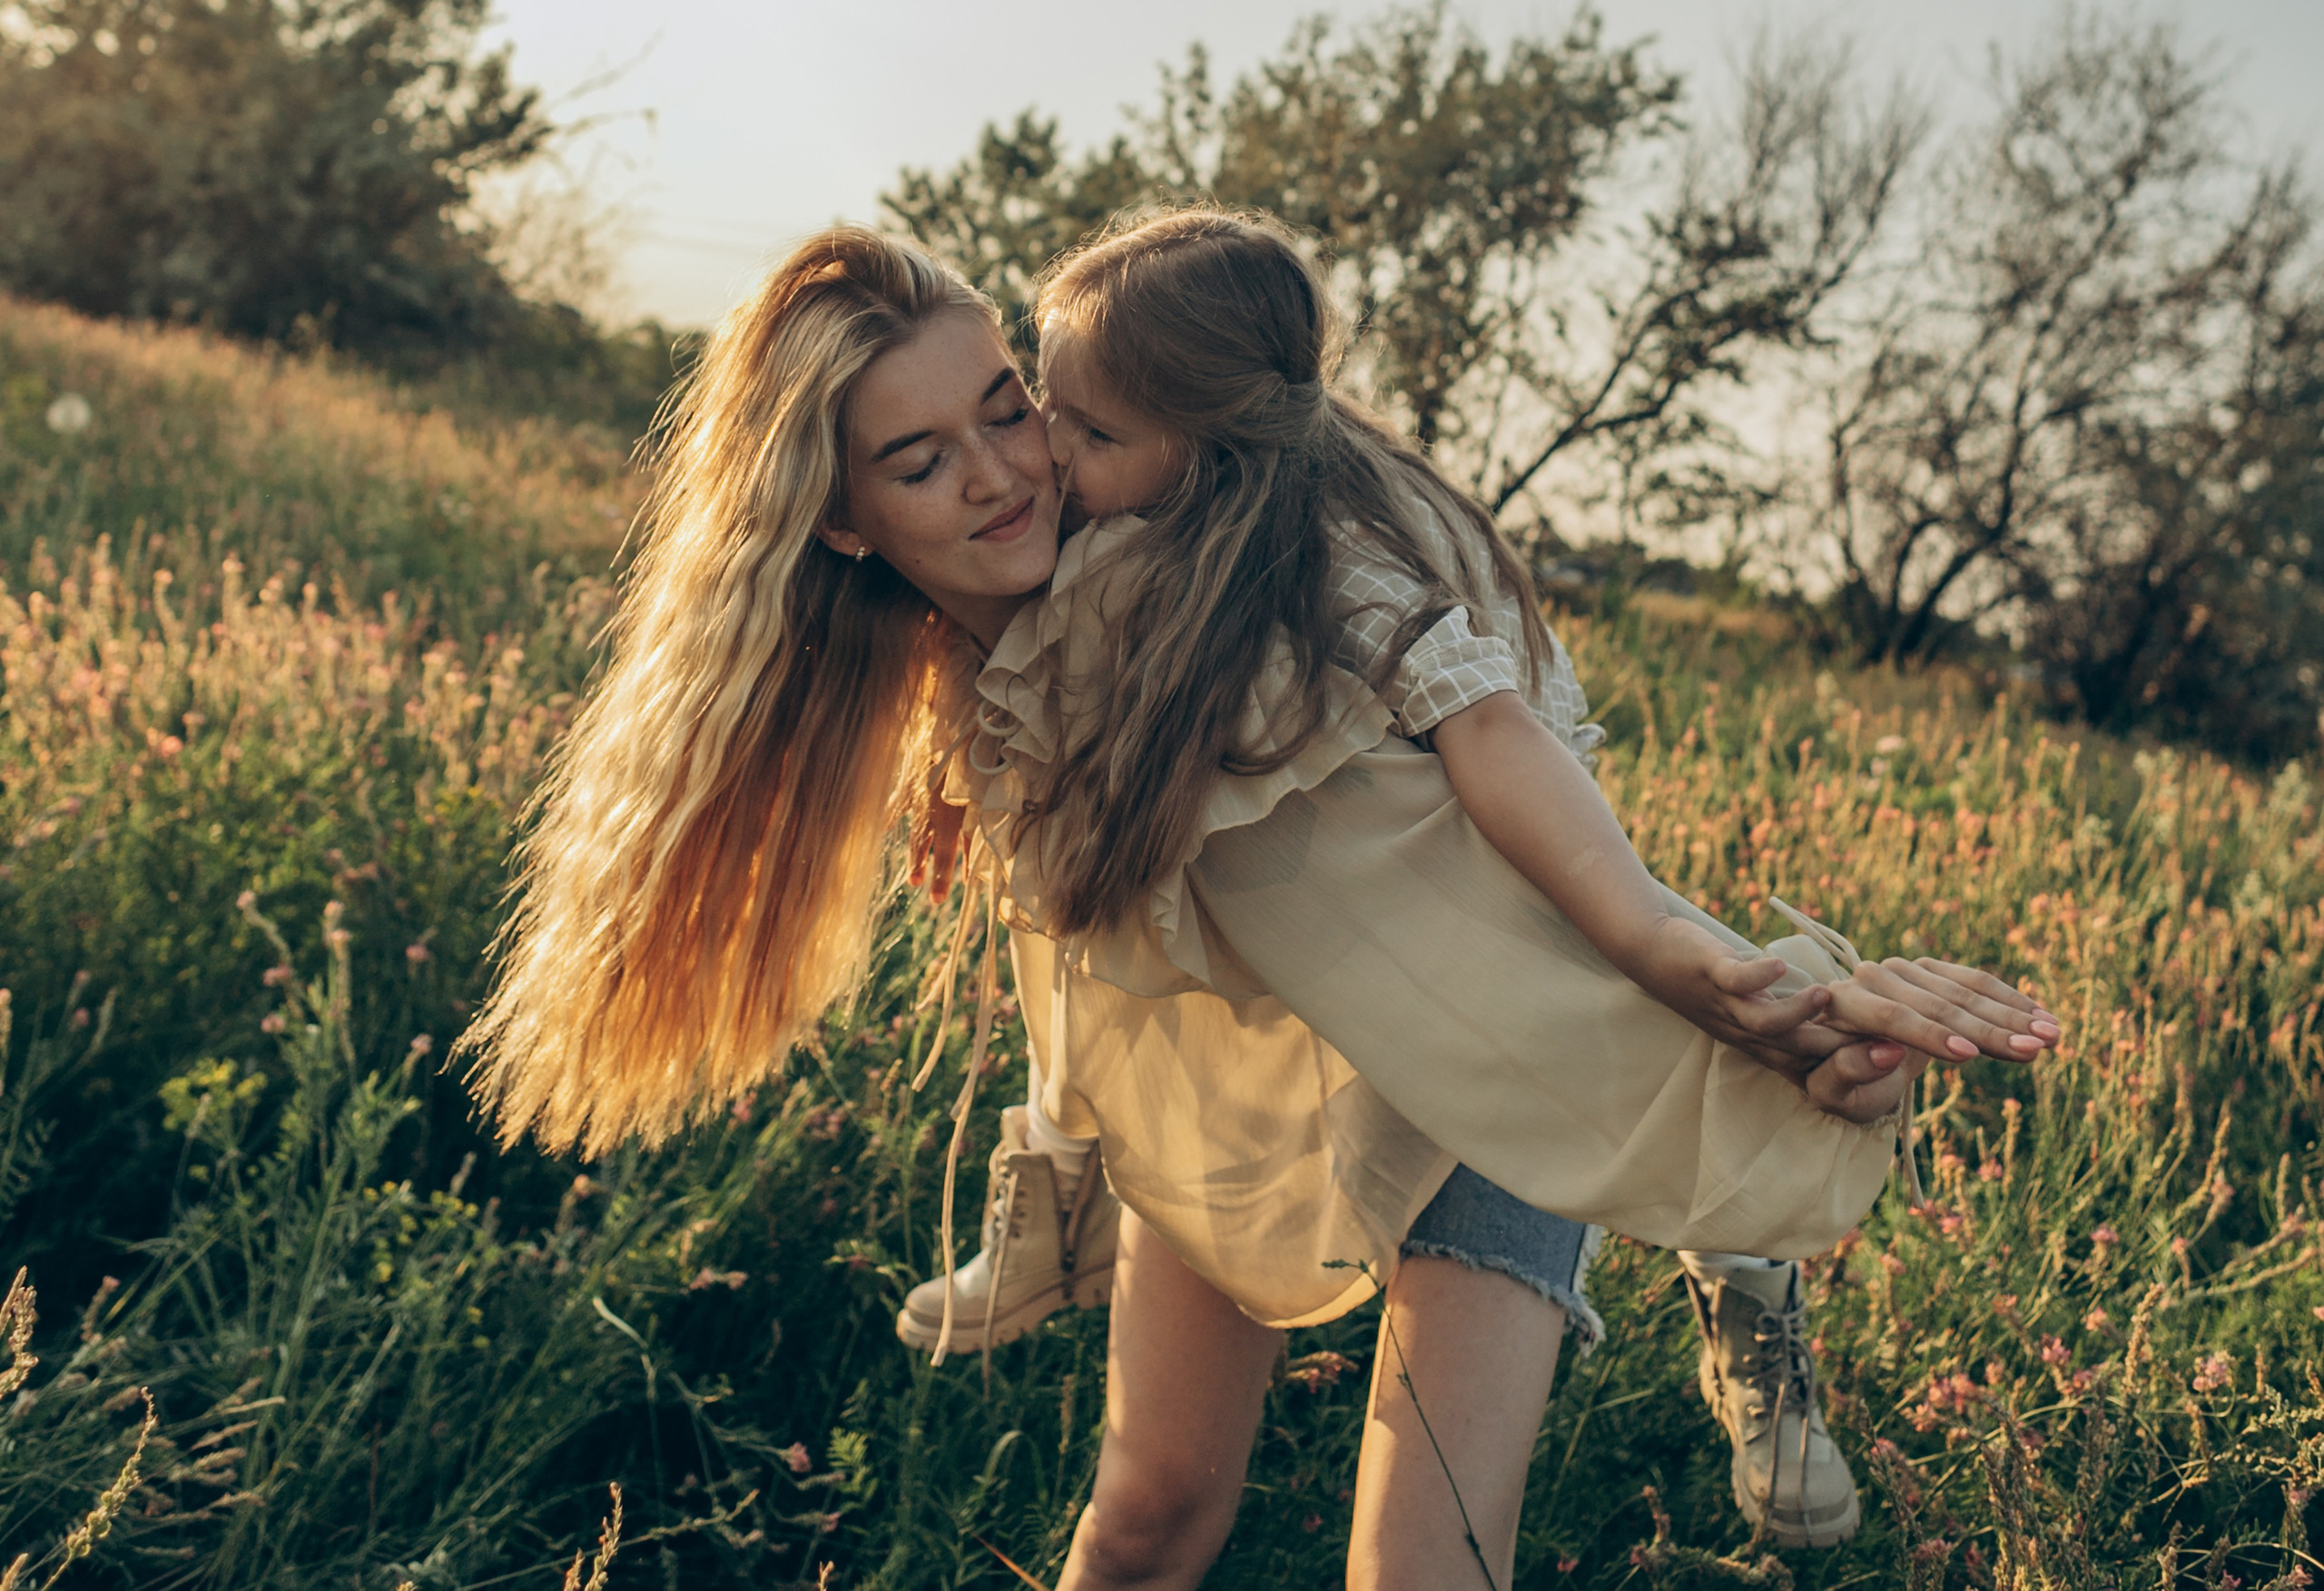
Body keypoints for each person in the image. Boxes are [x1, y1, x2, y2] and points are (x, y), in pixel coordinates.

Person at [458, 223, 2051, 1587]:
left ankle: (1739, 1244)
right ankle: (1065, 1177)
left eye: (1008, 410)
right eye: (921, 459)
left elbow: (1500, 775)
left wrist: (1688, 959)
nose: (1011, 474)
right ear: (841, 519)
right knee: (1145, 1520)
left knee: (1415, 1571)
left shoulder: (1224, 542)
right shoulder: (963, 653)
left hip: (1486, 1055)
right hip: (1248, 1085)